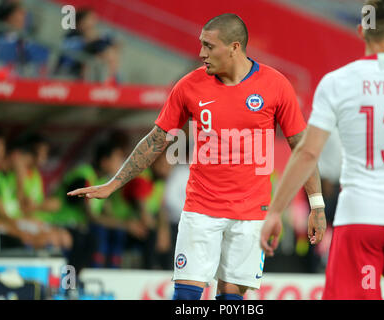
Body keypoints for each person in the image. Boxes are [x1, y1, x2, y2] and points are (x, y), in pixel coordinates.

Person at [68, 13, 325, 300]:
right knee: (186, 300)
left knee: (232, 301)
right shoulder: (188, 86)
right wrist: (113, 184)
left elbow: (302, 148)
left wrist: (317, 205)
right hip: (200, 211)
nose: (201, 53)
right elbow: (155, 140)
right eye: (201, 44)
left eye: (209, 46)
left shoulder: (275, 85)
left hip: (252, 216)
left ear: (235, 47)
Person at [260, 0, 384, 300]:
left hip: (360, 216)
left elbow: (307, 153)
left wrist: (275, 211)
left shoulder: (337, 82)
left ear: (361, 31)